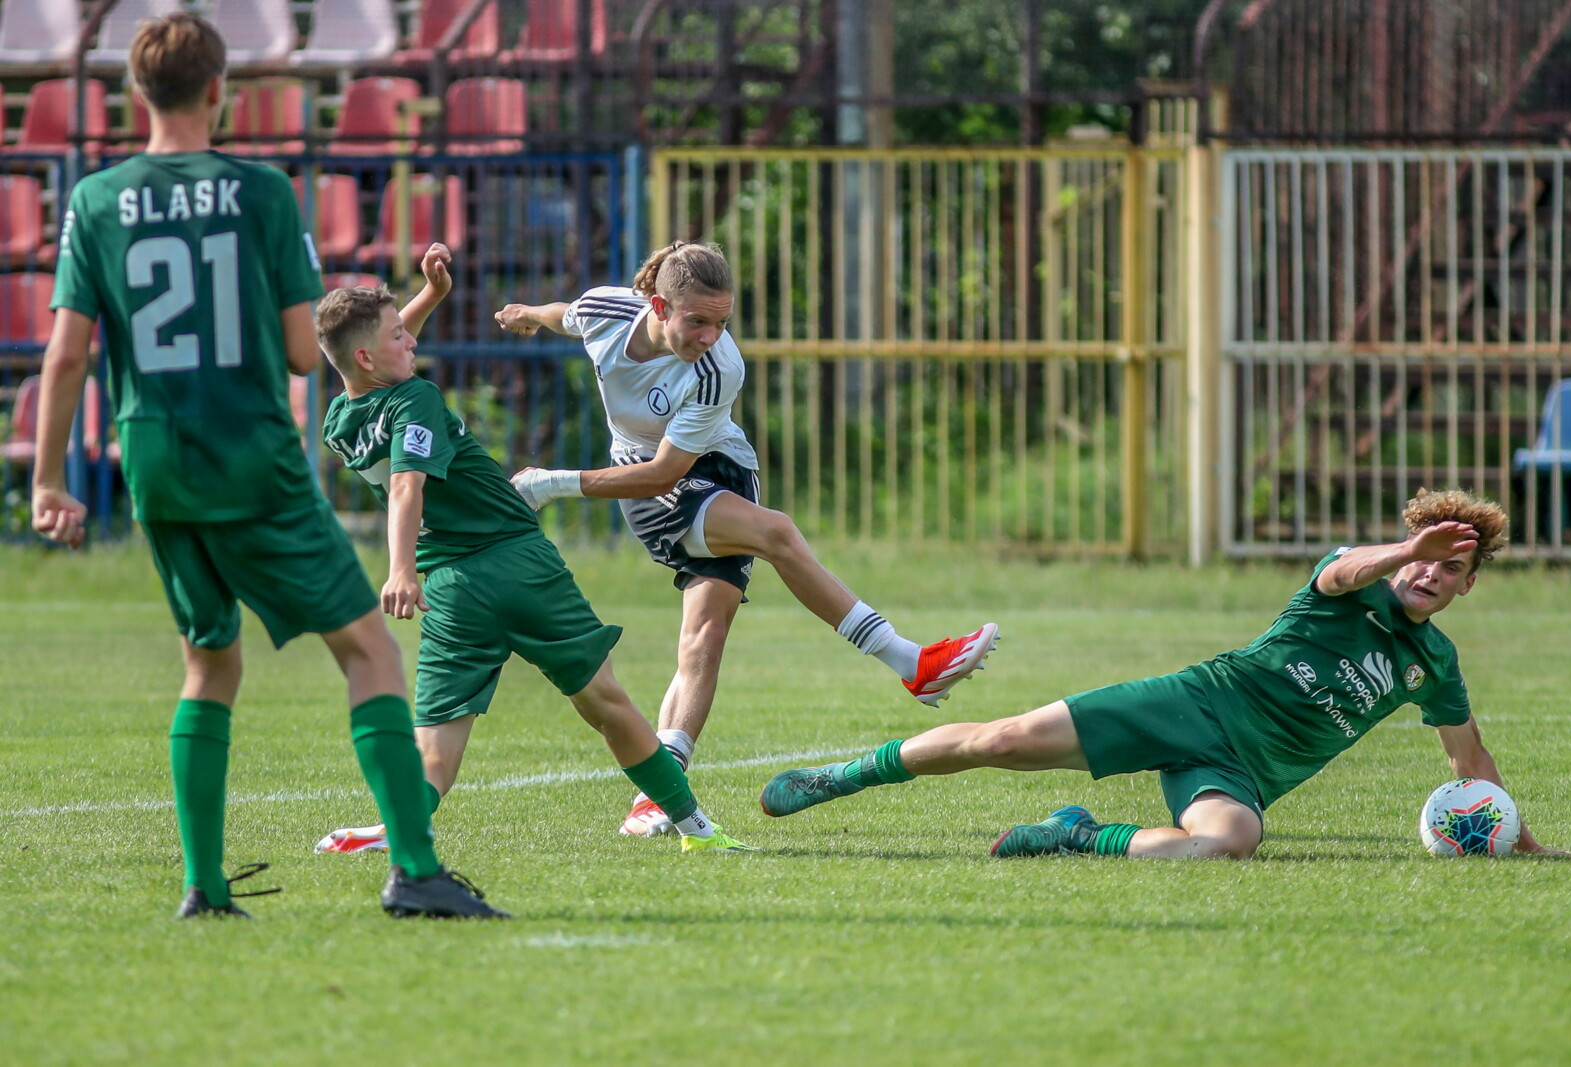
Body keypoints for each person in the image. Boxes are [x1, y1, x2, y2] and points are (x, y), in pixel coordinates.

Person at [30, 13, 504, 918]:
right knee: (368, 649)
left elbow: (64, 358)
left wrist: (49, 481)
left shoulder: (96, 200)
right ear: (221, 93)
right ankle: (414, 870)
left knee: (209, 664)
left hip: (156, 458)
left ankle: (203, 888)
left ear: (137, 96)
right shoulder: (259, 192)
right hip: (249, 452)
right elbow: (299, 351)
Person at [493, 241, 1001, 837]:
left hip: (711, 473)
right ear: (657, 305)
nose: (712, 336)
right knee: (779, 533)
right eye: (698, 322)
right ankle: (910, 662)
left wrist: (549, 484)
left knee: (704, 640)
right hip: (646, 487)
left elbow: (670, 468)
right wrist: (529, 313)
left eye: (723, 322)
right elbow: (567, 316)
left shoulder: (719, 368)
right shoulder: (607, 311)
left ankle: (658, 794)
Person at [761, 489, 1563, 859]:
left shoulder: (1435, 665)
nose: (1430, 576)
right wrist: (1402, 551)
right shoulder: (1350, 583)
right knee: (999, 738)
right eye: (1426, 558)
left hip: (1237, 771)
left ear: (1467, 584)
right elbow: (1346, 570)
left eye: (1450, 568)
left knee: (1225, 845)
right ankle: (845, 775)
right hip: (1190, 706)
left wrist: (1516, 835)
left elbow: (1471, 763)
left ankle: (1078, 834)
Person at [310, 245, 757, 857]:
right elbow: (407, 487)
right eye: (399, 335)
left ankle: (398, 824)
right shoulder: (413, 400)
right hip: (515, 561)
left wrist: (431, 297)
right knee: (606, 702)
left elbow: (373, 361)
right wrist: (397, 571)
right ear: (369, 354)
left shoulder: (341, 417)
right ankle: (695, 827)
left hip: (450, 587)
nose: (411, 339)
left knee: (436, 743)